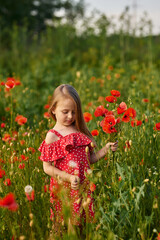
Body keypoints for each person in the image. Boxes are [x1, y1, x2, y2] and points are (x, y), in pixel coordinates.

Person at [38, 84, 118, 237]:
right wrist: (68, 177)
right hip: (65, 189)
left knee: (83, 226)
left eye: (74, 112)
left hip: (84, 186)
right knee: (64, 226)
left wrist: (105, 150)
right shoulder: (53, 136)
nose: (70, 116)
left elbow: (90, 159)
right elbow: (47, 168)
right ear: (53, 109)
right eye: (65, 112)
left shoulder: (79, 131)